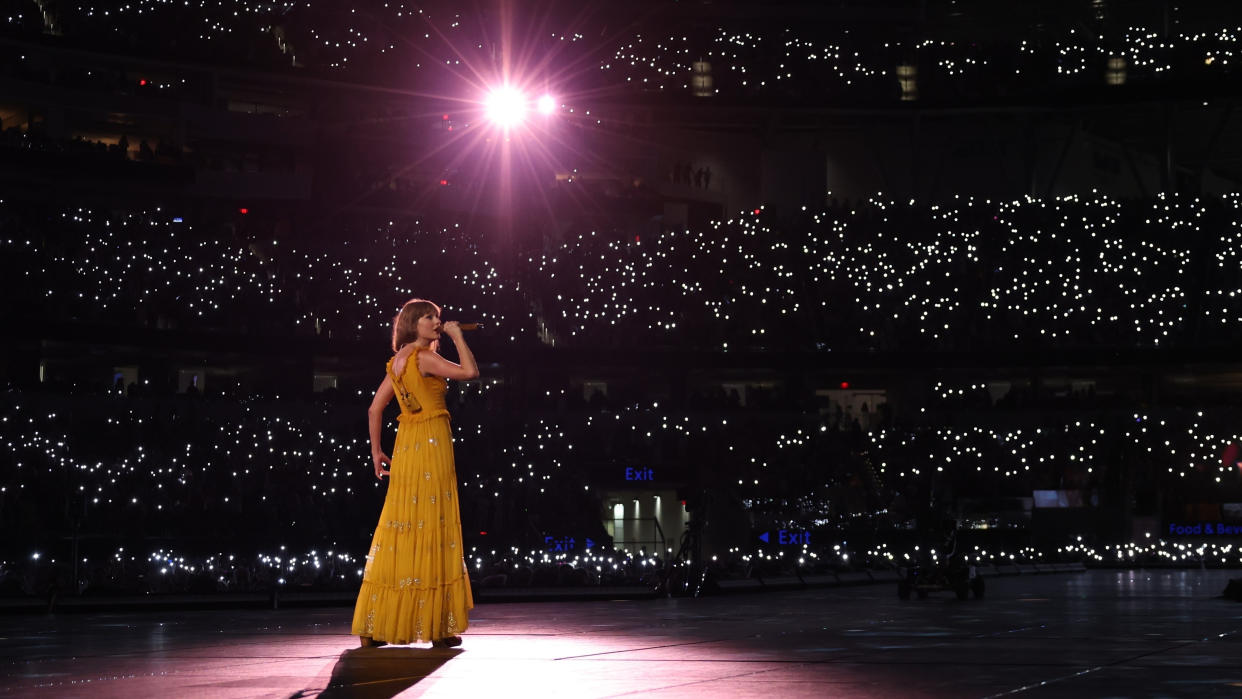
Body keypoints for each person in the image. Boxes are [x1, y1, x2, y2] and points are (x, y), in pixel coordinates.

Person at [352, 299, 478, 648]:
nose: (437, 321)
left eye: (438, 317)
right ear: (413, 323)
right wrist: (457, 337)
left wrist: (377, 452)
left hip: (407, 447)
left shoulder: (397, 362)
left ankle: (376, 626)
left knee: (402, 528)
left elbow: (374, 408)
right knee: (432, 526)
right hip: (431, 446)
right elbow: (470, 372)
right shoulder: (423, 358)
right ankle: (435, 628)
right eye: (429, 317)